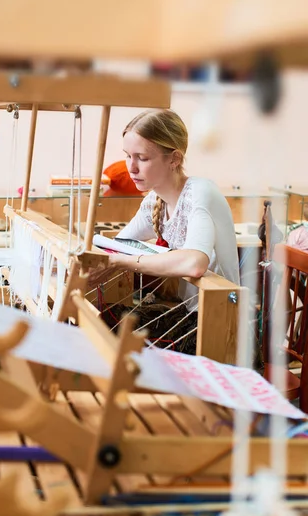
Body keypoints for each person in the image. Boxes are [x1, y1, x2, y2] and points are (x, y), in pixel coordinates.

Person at [93, 109, 240, 354]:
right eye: (128, 156)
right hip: (190, 312)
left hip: (221, 325)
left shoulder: (199, 192)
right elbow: (119, 243)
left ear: (174, 159)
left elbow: (195, 264)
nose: (131, 168)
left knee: (116, 335)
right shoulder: (155, 201)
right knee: (103, 320)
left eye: (142, 158)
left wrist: (122, 262)